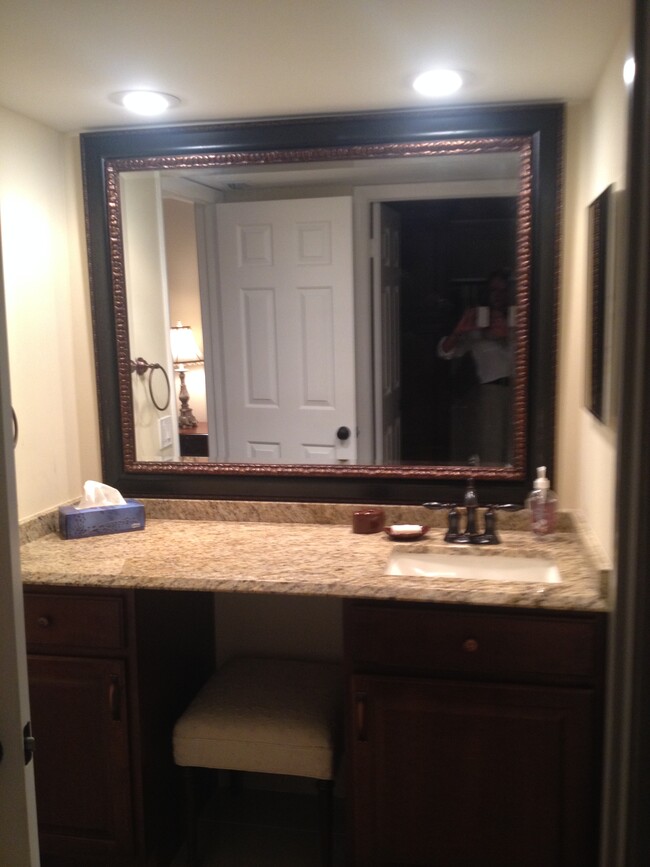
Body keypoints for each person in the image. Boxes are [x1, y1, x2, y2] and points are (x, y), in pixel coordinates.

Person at [437, 269, 514, 464]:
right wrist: (459, 330)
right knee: (492, 449)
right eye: (494, 290)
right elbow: (445, 353)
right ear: (486, 294)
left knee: (518, 452)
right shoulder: (477, 328)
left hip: (523, 391)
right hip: (491, 392)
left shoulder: (520, 321)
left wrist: (508, 334)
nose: (498, 295)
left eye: (504, 290)